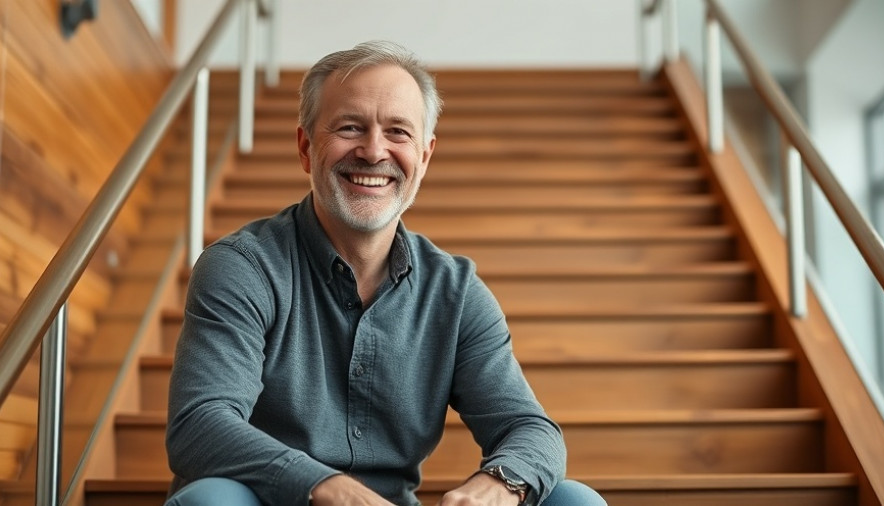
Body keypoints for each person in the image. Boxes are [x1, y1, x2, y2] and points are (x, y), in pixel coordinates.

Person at [165, 40, 607, 506]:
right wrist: (320, 486)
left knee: (574, 500)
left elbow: (529, 429)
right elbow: (200, 425)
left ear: (425, 156)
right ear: (305, 147)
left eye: (398, 132)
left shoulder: (455, 293)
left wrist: (501, 484)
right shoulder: (242, 268)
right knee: (211, 499)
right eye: (350, 127)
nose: (374, 151)